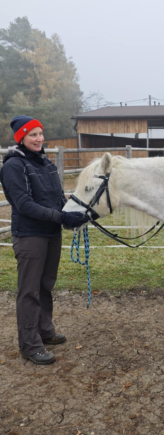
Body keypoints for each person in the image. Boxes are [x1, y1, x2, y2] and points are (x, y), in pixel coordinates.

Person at [0, 116, 89, 365]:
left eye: (40, 134)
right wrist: (62, 217)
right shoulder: (14, 166)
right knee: (29, 291)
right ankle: (29, 345)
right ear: (21, 138)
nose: (39, 139)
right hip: (30, 235)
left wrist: (77, 212)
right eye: (33, 135)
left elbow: (56, 197)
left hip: (51, 234)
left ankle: (45, 331)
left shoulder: (45, 163)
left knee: (46, 285)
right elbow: (24, 204)